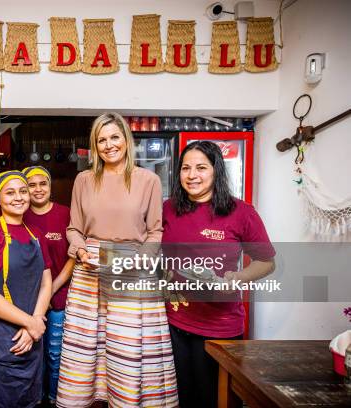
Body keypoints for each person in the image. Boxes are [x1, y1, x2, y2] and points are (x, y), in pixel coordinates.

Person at [56, 112, 178, 407]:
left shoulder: (148, 180)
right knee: (88, 348)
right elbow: (74, 228)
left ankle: (129, 400)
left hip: (133, 271)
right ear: (95, 145)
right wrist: (81, 250)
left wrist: (138, 264)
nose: (109, 145)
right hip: (90, 272)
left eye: (115, 137)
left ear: (126, 139)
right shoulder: (83, 180)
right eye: (102, 140)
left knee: (128, 346)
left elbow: (155, 232)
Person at [162, 141, 275, 407]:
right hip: (174, 322)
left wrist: (237, 278)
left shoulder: (241, 212)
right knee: (183, 399)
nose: (192, 175)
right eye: (186, 168)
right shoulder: (168, 208)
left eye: (201, 167)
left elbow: (267, 262)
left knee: (217, 399)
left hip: (218, 328)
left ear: (216, 171)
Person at [0, 170, 53, 408]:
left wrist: (35, 321)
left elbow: (46, 282)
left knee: (29, 400)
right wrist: (31, 323)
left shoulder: (36, 235)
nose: (19, 197)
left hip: (31, 337)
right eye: (10, 192)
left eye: (23, 191)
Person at [21, 166, 75, 406]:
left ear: (50, 186)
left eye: (43, 184)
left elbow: (73, 256)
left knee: (55, 354)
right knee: (32, 355)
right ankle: (35, 399)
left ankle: (53, 399)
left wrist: (52, 288)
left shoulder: (66, 214)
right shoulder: (19, 215)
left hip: (59, 297)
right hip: (26, 302)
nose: (38, 189)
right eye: (32, 185)